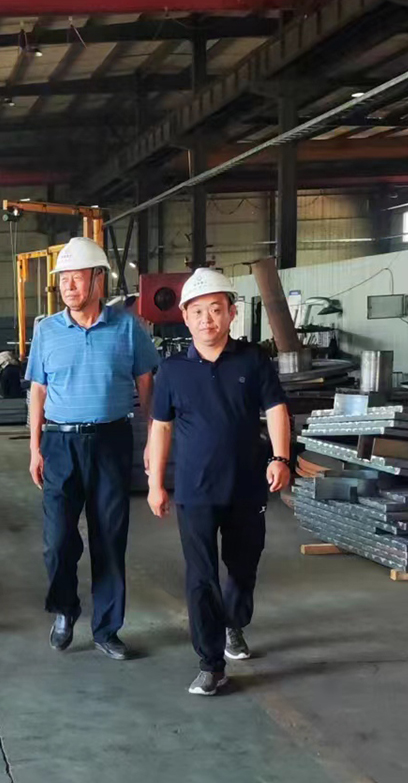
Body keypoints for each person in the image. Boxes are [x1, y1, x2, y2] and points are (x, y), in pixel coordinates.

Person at [146, 268, 290, 696]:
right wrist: (156, 482)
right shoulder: (172, 370)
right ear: (185, 317)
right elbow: (161, 427)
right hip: (195, 490)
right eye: (197, 311)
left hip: (246, 485)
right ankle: (210, 664)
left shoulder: (252, 360)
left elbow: (276, 410)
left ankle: (234, 623)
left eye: (215, 310)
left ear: (231, 313)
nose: (206, 319)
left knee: (243, 567)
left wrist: (280, 457)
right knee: (200, 576)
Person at [27, 237, 159, 661]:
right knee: (57, 541)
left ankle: (107, 629)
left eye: (76, 278)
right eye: (63, 279)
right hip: (60, 443)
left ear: (98, 279)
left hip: (111, 442)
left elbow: (146, 386)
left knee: (110, 537)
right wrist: (35, 447)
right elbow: (37, 392)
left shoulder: (128, 328)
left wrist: (153, 440)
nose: (68, 286)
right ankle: (65, 610)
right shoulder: (46, 330)